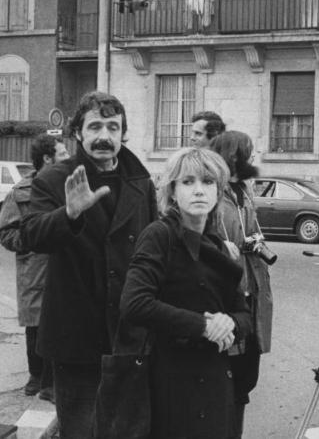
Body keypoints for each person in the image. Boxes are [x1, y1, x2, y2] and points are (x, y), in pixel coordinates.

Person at [20, 91, 158, 438]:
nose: (104, 136)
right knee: (81, 430)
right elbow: (32, 235)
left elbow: (155, 247)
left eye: (113, 127)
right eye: (94, 126)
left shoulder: (140, 181)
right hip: (77, 334)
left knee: (128, 430)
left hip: (129, 332)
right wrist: (69, 213)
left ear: (123, 133)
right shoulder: (55, 179)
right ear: (78, 132)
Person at [119, 147, 251, 438]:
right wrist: (203, 326)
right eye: (188, 182)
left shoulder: (218, 245)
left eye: (207, 182)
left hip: (217, 379)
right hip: (171, 379)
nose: (199, 191)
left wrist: (230, 323)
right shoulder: (159, 235)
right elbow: (135, 303)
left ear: (219, 191)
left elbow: (243, 313)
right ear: (172, 191)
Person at [0, 135, 70, 403]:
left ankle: (53, 380)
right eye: (62, 154)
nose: (68, 158)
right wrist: (29, 242)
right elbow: (4, 232)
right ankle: (36, 375)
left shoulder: (70, 185)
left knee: (63, 318)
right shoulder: (20, 192)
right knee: (36, 323)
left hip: (65, 264)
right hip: (36, 266)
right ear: (47, 159)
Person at [209, 131, 272, 438]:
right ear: (234, 157)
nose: (254, 158)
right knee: (226, 382)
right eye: (250, 152)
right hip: (226, 296)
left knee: (245, 380)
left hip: (252, 295)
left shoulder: (243, 193)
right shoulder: (212, 194)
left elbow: (250, 232)